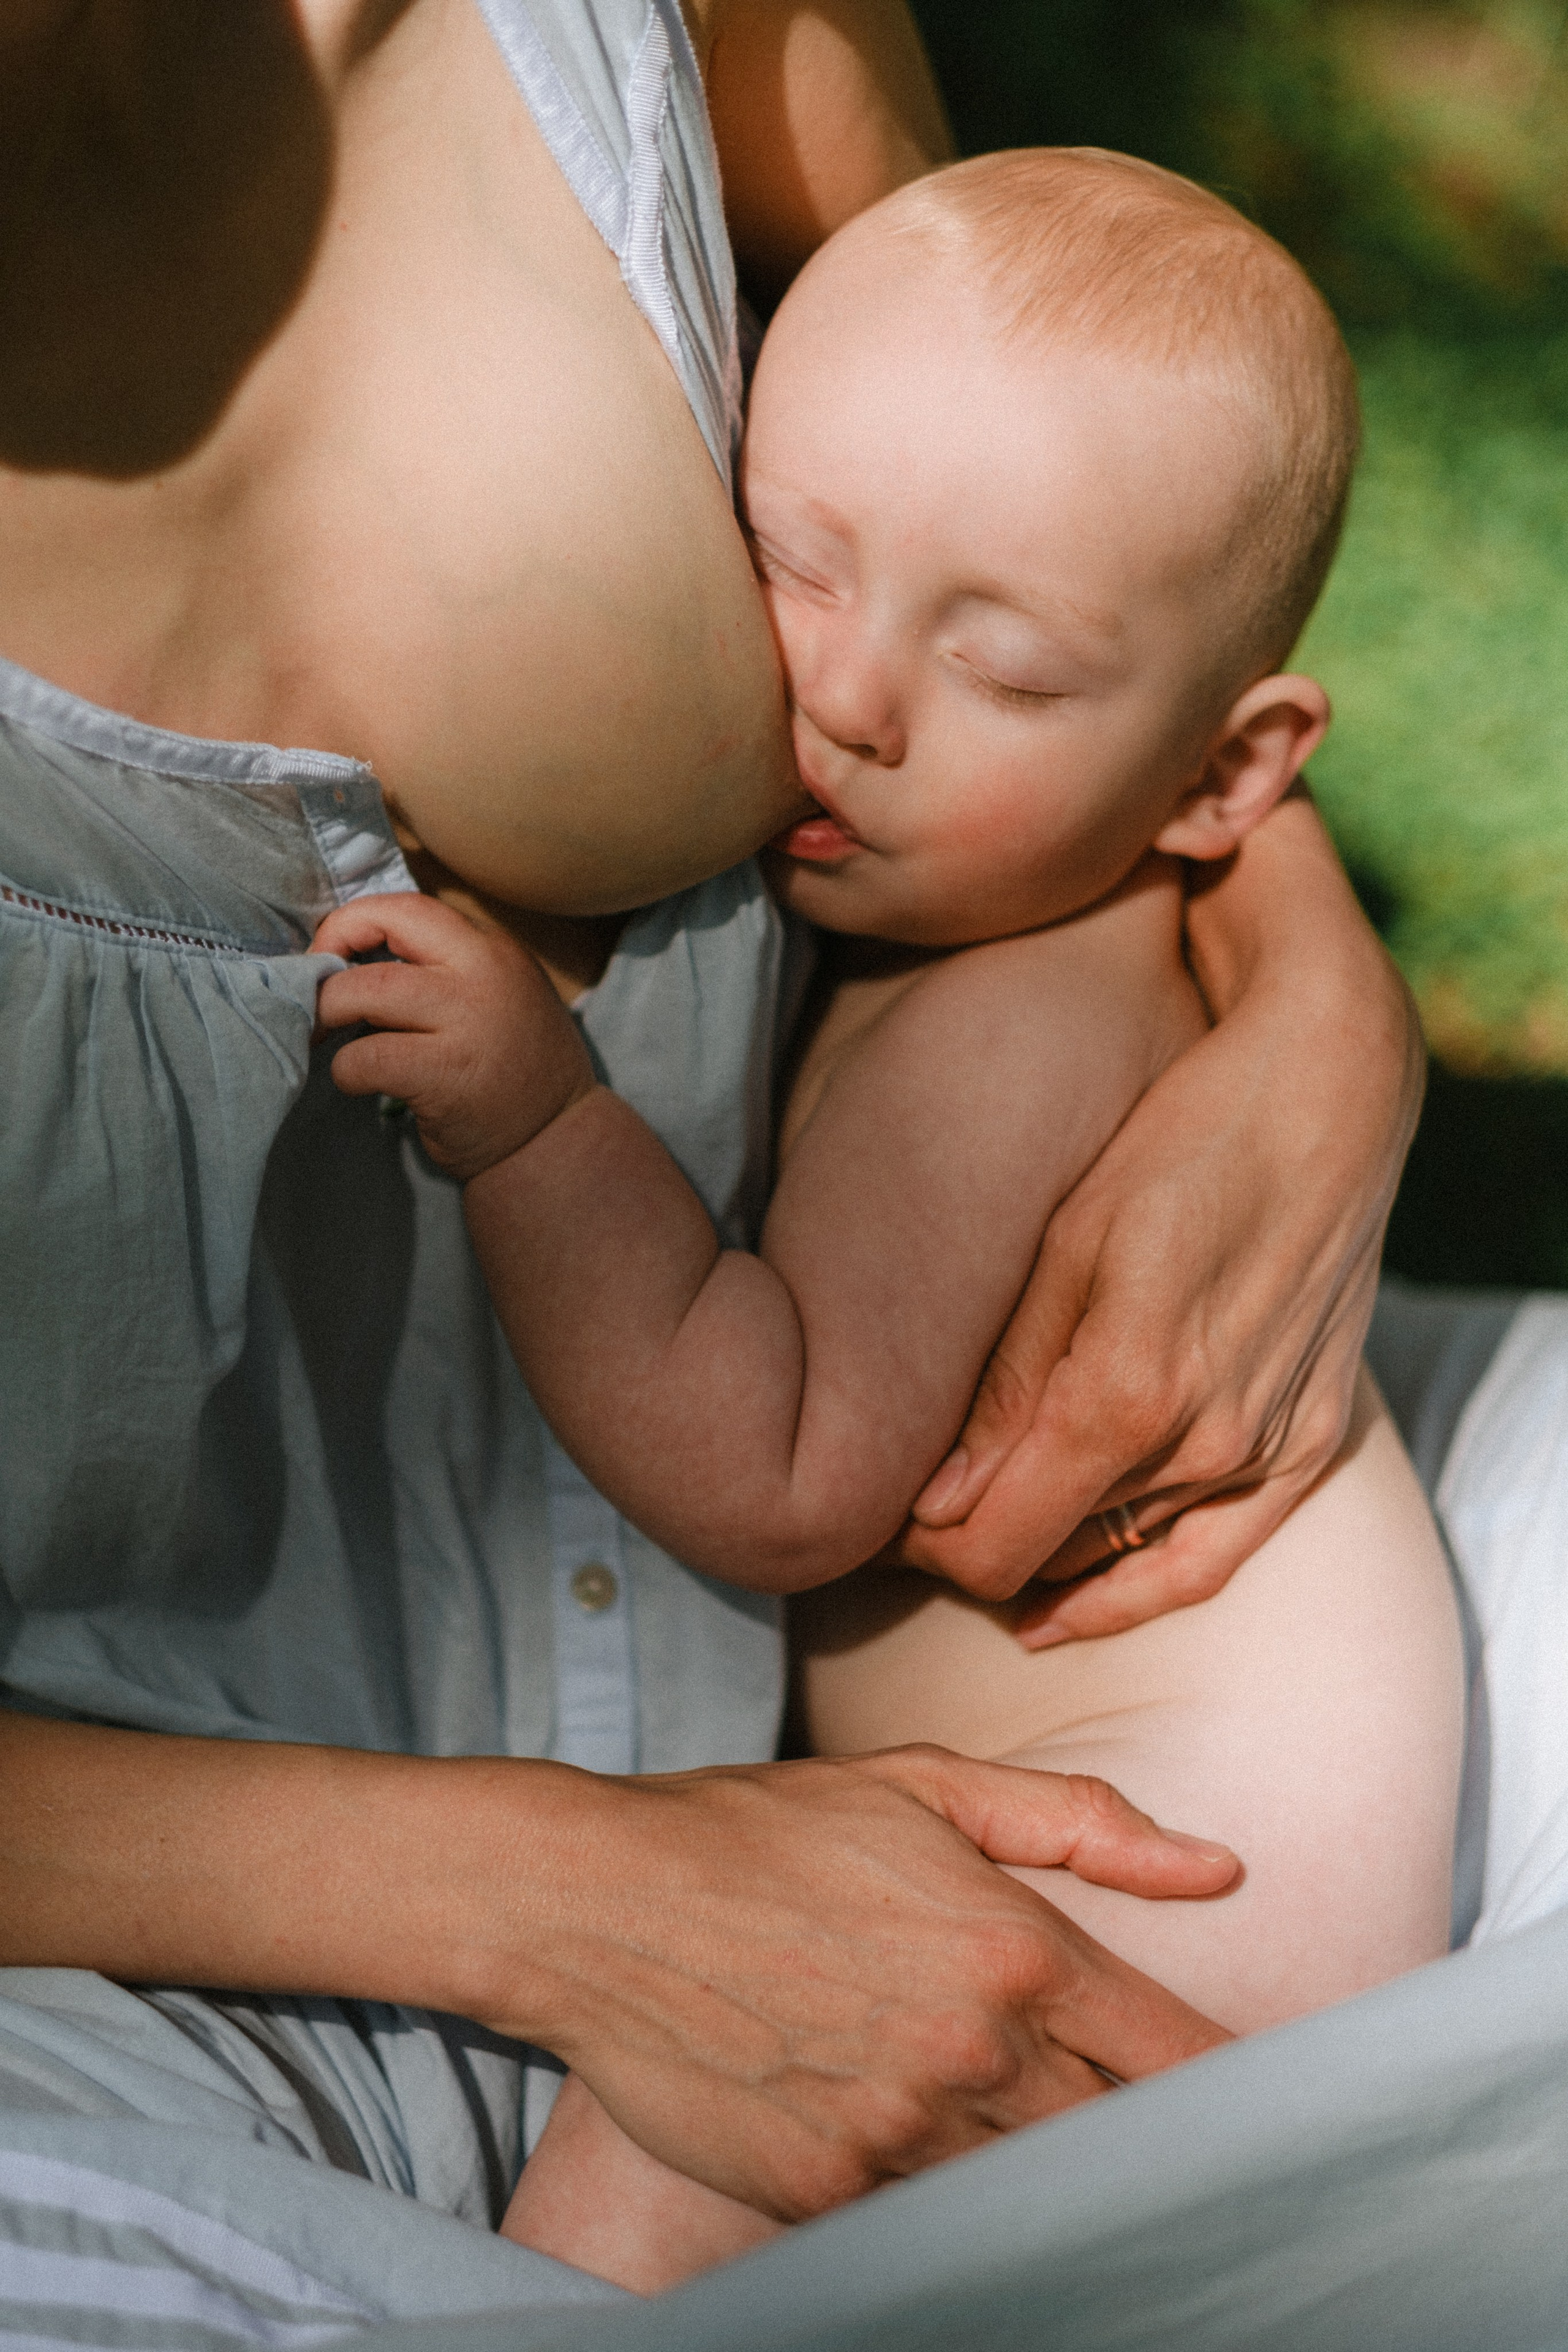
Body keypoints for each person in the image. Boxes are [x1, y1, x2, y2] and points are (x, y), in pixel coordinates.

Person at [0, 0, 1428, 2332]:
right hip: (243, 1901)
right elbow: (1083, 639)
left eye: (991, 666)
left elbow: (775, 1465)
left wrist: (1309, 994)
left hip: (1111, 1855)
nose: (848, 702)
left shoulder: (1007, 1003)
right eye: (793, 560)